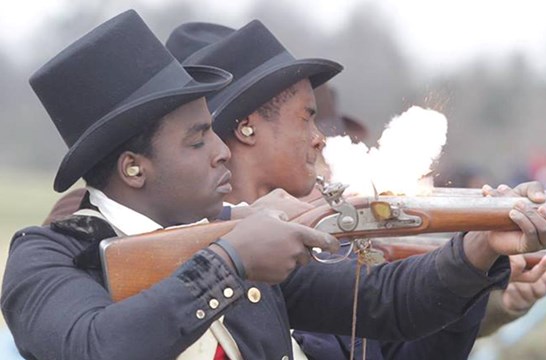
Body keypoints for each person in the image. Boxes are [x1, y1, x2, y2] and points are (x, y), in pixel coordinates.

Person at [164, 20, 546, 359]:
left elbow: (397, 324)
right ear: (245, 126)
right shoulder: (195, 251)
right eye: (307, 117)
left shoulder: (315, 245)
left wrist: (481, 258)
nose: (321, 139)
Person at [1, 11, 341, 360]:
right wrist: (227, 264)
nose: (222, 151)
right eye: (198, 141)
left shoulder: (224, 229)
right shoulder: (50, 256)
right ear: (133, 168)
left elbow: (376, 298)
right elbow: (92, 347)